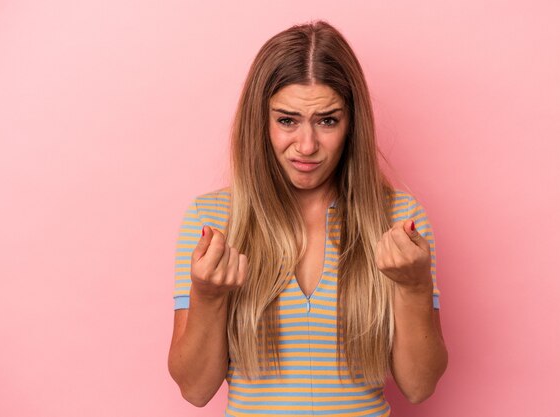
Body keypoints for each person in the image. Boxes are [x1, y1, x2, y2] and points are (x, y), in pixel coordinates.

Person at [167, 20, 447, 416]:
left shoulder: (400, 220)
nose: (307, 145)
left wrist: (415, 288)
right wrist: (208, 297)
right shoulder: (213, 221)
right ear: (260, 123)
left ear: (352, 125)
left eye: (328, 121)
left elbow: (419, 387)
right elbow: (195, 390)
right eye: (287, 120)